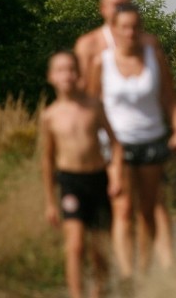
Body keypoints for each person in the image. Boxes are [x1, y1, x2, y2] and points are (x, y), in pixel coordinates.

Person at [73, 0, 176, 273]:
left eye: (125, 3)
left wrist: (175, 129)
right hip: (110, 140)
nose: (120, 10)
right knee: (120, 208)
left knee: (154, 203)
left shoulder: (148, 44)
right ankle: (122, 274)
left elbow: (167, 92)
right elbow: (83, 96)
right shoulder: (89, 45)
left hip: (149, 137)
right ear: (102, 8)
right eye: (114, 4)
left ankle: (162, 269)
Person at [40, 51, 124, 298]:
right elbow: (46, 159)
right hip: (70, 182)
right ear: (51, 77)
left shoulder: (94, 107)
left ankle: (101, 290)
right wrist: (49, 202)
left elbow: (116, 143)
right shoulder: (50, 116)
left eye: (70, 69)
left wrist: (116, 176)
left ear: (78, 74)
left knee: (99, 249)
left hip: (97, 180)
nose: (66, 74)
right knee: (75, 246)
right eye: (60, 70)